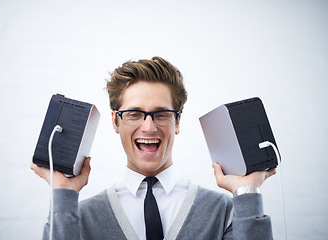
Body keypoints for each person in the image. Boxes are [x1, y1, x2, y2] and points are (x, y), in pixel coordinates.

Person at [31, 56, 276, 240]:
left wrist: (247, 193)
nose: (148, 127)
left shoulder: (225, 211)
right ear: (116, 122)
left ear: (177, 121)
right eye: (134, 114)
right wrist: (63, 194)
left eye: (161, 114)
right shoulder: (80, 217)